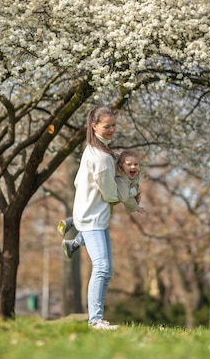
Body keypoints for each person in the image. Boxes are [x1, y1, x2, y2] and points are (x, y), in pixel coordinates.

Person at [60, 106, 121, 330]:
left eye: (114, 125)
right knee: (102, 267)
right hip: (92, 219)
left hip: (94, 217)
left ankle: (73, 240)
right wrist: (123, 197)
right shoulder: (102, 156)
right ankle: (95, 320)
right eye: (107, 126)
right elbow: (108, 192)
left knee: (107, 269)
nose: (112, 129)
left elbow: (78, 182)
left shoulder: (93, 149)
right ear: (94, 126)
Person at [58, 150, 145, 256]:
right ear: (121, 166)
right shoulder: (122, 180)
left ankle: (71, 228)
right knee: (91, 227)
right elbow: (125, 198)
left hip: (100, 202)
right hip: (103, 202)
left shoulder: (128, 173)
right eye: (129, 164)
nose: (133, 167)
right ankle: (73, 242)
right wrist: (135, 207)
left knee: (89, 223)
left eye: (136, 164)